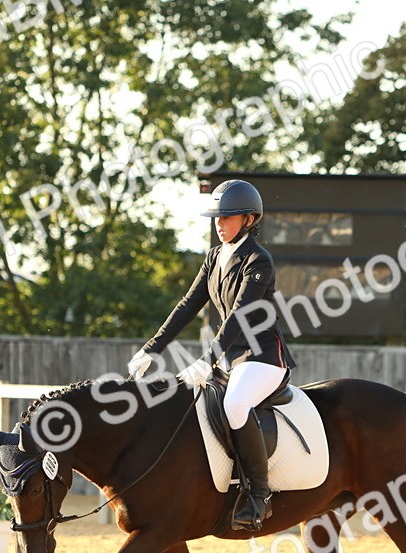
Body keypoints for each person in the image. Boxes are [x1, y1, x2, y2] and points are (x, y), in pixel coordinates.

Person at [126, 179, 297, 531]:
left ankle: (258, 495)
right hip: (229, 359)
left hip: (262, 357)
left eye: (228, 217)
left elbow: (239, 315)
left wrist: (207, 359)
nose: (219, 223)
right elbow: (188, 306)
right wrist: (151, 348)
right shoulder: (213, 258)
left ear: (249, 219)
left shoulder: (258, 261)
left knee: (235, 405)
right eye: (217, 217)